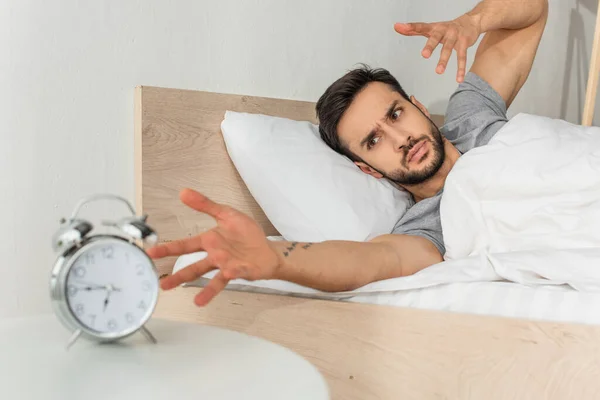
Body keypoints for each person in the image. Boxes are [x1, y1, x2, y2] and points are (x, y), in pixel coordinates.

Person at [148, 0, 549, 307]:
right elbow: (371, 260)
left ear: (418, 106)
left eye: (396, 114)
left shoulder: (471, 114)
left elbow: (534, 10)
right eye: (373, 141)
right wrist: (277, 257)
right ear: (367, 169)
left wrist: (471, 23)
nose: (400, 139)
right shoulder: (426, 227)